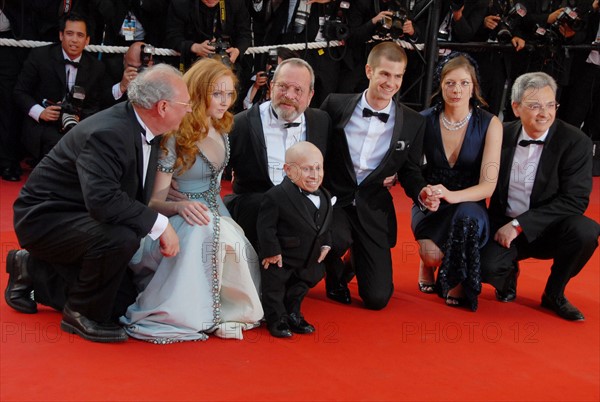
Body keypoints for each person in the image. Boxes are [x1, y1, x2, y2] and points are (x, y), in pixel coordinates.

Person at [6, 64, 189, 342]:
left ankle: (31, 269)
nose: (189, 109)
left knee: (122, 305)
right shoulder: (110, 131)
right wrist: (160, 224)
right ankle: (81, 314)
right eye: (185, 103)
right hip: (44, 219)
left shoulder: (144, 127)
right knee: (121, 237)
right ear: (162, 107)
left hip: (82, 216)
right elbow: (102, 200)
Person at [120, 58, 264, 343]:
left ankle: (221, 313)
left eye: (229, 94)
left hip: (217, 213)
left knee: (234, 243)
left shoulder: (223, 129)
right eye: (217, 94)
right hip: (181, 220)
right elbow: (153, 201)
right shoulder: (177, 135)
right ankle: (189, 313)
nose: (225, 102)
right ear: (199, 93)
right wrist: (180, 205)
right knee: (210, 234)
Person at [320, 41, 432, 310]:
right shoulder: (335, 105)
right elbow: (316, 149)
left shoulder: (414, 122)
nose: (390, 82)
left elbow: (410, 171)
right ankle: (334, 278)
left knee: (377, 298)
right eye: (384, 74)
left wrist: (421, 192)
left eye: (398, 76)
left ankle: (354, 260)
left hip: (372, 207)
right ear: (369, 71)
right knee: (337, 239)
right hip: (335, 199)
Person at [481, 71, 600, 321]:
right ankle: (507, 276)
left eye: (550, 105)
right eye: (534, 106)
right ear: (516, 107)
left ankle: (554, 293)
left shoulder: (575, 142)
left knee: (586, 232)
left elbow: (576, 200)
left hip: (549, 229)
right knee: (486, 268)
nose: (544, 113)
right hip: (502, 227)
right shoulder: (499, 134)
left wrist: (519, 225)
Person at [412, 53, 502, 311]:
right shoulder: (423, 120)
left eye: (464, 83)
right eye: (450, 83)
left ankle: (457, 281)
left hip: (470, 203)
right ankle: (427, 264)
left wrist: (453, 195)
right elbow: (411, 169)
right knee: (432, 256)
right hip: (432, 204)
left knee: (466, 216)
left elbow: (488, 185)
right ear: (440, 85)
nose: (457, 90)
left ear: (474, 87)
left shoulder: (490, 124)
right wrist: (424, 192)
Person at [223, 58, 331, 248]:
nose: (289, 95)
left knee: (336, 237)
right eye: (283, 86)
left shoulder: (321, 122)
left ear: (310, 95)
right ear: (271, 87)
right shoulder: (241, 124)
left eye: (298, 90)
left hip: (304, 215)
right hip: (255, 215)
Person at [257, 141, 333, 338]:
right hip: (282, 257)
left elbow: (324, 224)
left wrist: (326, 243)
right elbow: (266, 227)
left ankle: (293, 313)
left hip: (309, 258)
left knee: (300, 287)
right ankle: (277, 319)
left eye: (318, 168)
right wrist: (271, 251)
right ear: (288, 170)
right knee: (274, 289)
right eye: (306, 169)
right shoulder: (276, 196)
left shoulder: (324, 195)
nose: (314, 175)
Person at [13, 13, 112, 163]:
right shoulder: (40, 56)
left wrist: (79, 118)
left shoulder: (96, 67)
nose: (74, 40)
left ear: (87, 40)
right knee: (58, 144)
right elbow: (20, 92)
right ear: (61, 35)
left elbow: (96, 104)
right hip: (44, 126)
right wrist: (41, 112)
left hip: (78, 126)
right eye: (69, 33)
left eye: (80, 35)